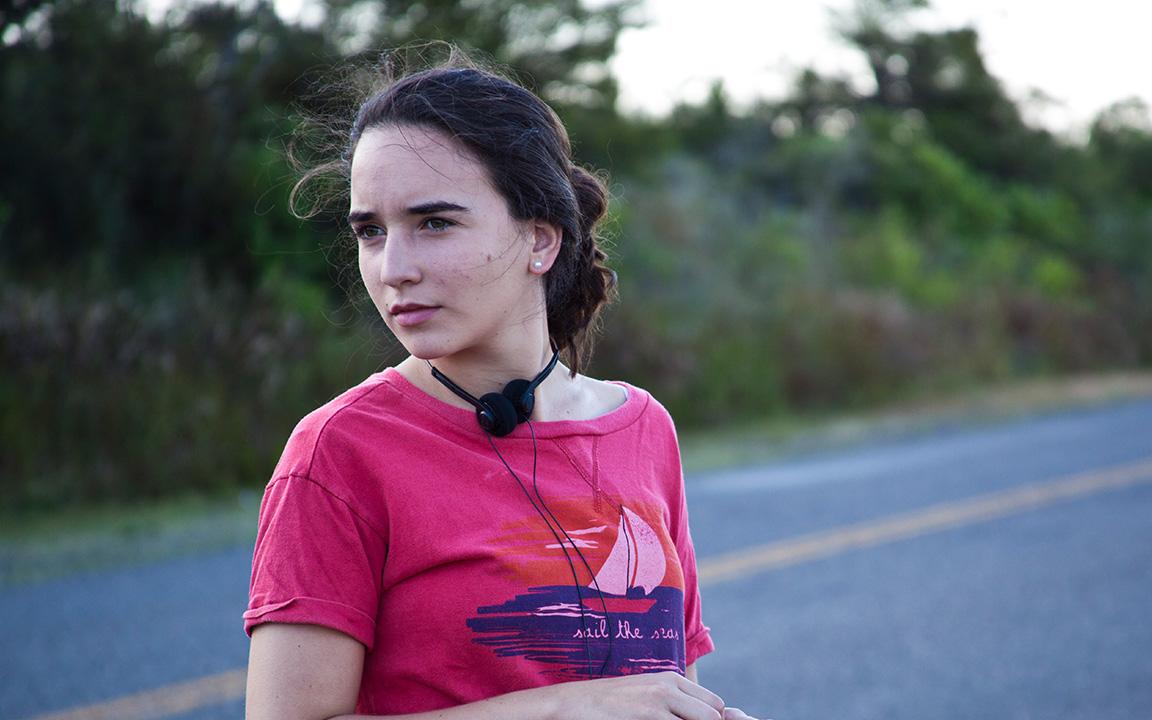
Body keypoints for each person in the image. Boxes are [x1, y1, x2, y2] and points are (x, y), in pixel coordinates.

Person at [242, 52, 768, 720]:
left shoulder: (643, 428)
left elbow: (667, 691)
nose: (393, 268)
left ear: (540, 241)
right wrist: (563, 709)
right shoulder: (339, 451)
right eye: (371, 231)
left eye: (434, 223)